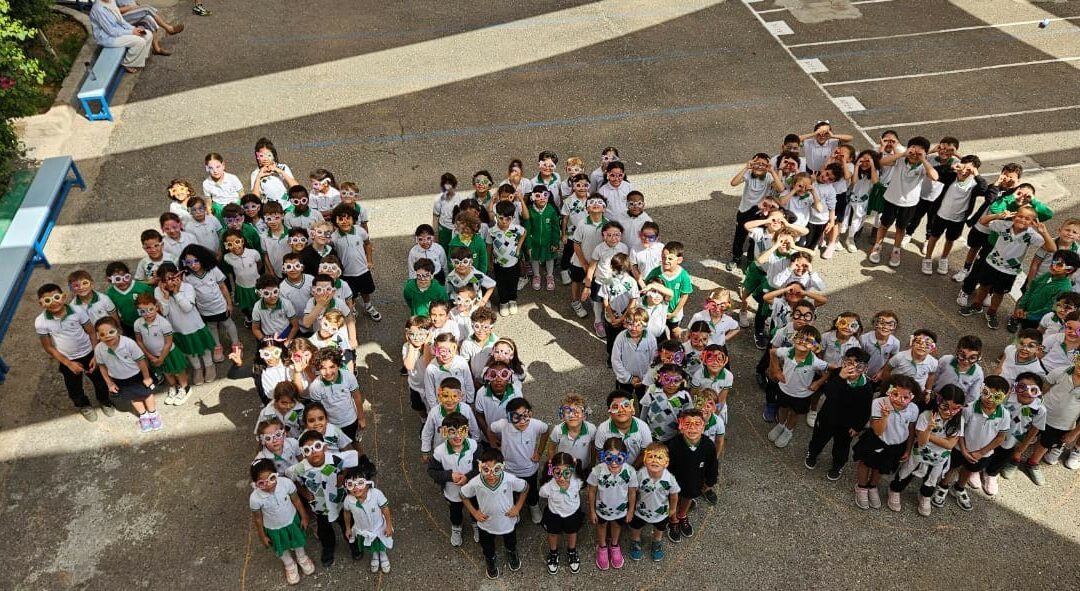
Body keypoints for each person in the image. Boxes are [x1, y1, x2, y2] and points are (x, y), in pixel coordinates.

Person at [959, 205, 1055, 329]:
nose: (1022, 220)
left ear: (1032, 222)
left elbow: (1052, 248)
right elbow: (982, 221)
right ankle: (977, 306)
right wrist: (998, 215)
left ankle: (991, 312)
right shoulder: (1003, 225)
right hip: (991, 264)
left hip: (1009, 271)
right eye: (1020, 216)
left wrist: (1044, 232)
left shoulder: (1031, 235)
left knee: (999, 293)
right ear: (1015, 216)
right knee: (983, 287)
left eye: (1027, 219)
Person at [888, 385, 965, 516]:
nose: (949, 412)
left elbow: (950, 445)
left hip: (940, 458)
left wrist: (929, 436)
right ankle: (895, 490)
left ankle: (924, 496)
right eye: (945, 407)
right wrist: (928, 429)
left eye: (955, 408)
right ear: (939, 401)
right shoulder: (926, 416)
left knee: (932, 479)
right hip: (919, 453)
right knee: (907, 472)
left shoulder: (959, 420)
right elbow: (922, 441)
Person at [938, 377, 1010, 511]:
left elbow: (1000, 437)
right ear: (981, 390)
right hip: (960, 449)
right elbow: (960, 430)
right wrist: (964, 450)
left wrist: (981, 453)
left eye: (997, 396)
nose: (989, 399)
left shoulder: (1005, 415)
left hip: (982, 454)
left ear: (1005, 397)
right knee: (952, 467)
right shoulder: (969, 409)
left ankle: (959, 488)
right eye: (986, 393)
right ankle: (943, 486)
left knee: (969, 470)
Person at [288, 431, 359, 567]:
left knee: (347, 524)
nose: (314, 452)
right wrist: (303, 492)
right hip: (320, 506)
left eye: (317, 446)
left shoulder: (335, 459)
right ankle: (328, 547)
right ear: (303, 453)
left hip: (339, 503)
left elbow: (351, 461)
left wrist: (343, 476)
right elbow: (292, 479)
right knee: (324, 529)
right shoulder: (299, 468)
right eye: (308, 450)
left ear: (324, 447)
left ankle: (353, 543)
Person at [804, 347, 873, 480]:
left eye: (858, 365)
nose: (852, 368)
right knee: (819, 438)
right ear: (843, 362)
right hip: (827, 417)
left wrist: (857, 426)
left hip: (847, 424)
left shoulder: (866, 387)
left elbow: (865, 410)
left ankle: (838, 465)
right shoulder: (837, 374)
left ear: (865, 369)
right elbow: (828, 392)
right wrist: (840, 378)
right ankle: (812, 454)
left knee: (842, 446)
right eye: (848, 362)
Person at [870, 136, 939, 268]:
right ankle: (877, 247)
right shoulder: (900, 160)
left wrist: (923, 159)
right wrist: (902, 154)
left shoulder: (924, 166)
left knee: (901, 228)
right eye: (912, 151)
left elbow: (934, 176)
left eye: (919, 152)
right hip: (891, 199)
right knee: (884, 225)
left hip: (909, 203)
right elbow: (882, 162)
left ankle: (896, 251)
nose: (914, 155)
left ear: (925, 152)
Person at [853, 376, 921, 510]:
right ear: (889, 390)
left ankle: (872, 486)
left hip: (896, 445)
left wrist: (907, 449)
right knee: (866, 463)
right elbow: (878, 430)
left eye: (905, 397)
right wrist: (885, 415)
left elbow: (911, 429)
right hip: (877, 440)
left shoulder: (913, 409)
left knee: (881, 467)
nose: (899, 400)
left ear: (912, 397)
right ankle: (861, 487)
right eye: (895, 394)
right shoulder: (879, 403)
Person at [461, 448, 528, 580]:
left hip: (507, 522)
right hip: (486, 523)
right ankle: (490, 560)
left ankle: (511, 553)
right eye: (486, 470)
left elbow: (525, 488)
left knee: (511, 541)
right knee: (487, 546)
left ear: (502, 467)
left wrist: (518, 507)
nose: (491, 475)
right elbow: (463, 494)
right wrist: (474, 513)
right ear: (480, 467)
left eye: (496, 469)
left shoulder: (509, 479)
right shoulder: (476, 482)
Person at [248, 459, 314, 585]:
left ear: (276, 474)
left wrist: (304, 516)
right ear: (255, 484)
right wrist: (262, 535)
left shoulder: (286, 483)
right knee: (281, 547)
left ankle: (302, 557)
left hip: (291, 520)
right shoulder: (255, 498)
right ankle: (289, 564)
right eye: (262, 483)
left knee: (297, 541)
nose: (268, 485)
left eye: (272, 478)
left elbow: (297, 501)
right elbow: (258, 518)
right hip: (273, 528)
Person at [93, 317, 159, 432]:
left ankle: (153, 414)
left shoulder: (129, 343)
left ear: (118, 330)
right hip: (119, 379)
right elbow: (102, 367)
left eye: (111, 332)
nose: (107, 336)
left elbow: (141, 361)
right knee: (133, 397)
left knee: (147, 394)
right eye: (102, 334)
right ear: (98, 336)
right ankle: (143, 415)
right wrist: (109, 383)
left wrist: (147, 377)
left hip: (137, 376)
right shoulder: (99, 349)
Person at [155, 263, 216, 385]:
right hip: (178, 328)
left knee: (204, 348)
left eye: (171, 278)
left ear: (178, 275)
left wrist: (177, 293)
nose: (169, 283)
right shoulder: (158, 291)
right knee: (189, 350)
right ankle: (197, 368)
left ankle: (209, 365)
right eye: (164, 280)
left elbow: (187, 308)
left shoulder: (187, 287)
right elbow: (164, 312)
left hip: (195, 325)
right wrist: (166, 297)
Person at [767, 326, 829, 448]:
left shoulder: (815, 361)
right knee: (782, 408)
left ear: (815, 347)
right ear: (794, 338)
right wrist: (776, 370)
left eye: (809, 341)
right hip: (784, 389)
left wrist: (818, 382)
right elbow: (772, 352)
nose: (803, 341)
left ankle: (789, 430)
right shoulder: (787, 351)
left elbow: (828, 371)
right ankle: (780, 425)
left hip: (802, 395)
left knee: (795, 413)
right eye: (800, 337)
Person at [427, 412, 481, 547]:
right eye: (452, 432)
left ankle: (476, 524)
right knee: (455, 512)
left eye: (462, 431)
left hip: (473, 490)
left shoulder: (473, 446)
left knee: (475, 507)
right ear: (444, 432)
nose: (458, 436)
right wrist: (448, 476)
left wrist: (468, 477)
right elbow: (432, 471)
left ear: (467, 430)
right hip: (453, 493)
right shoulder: (439, 452)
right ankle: (456, 528)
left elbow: (481, 467)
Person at [587, 437, 638, 571]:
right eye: (609, 459)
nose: (614, 464)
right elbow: (592, 491)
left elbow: (632, 492)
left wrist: (631, 510)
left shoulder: (630, 471)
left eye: (619, 459)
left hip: (620, 510)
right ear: (603, 457)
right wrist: (592, 511)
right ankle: (602, 546)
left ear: (625, 457)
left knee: (616, 526)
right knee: (602, 526)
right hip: (601, 509)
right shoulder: (597, 470)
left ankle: (614, 545)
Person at [666, 409, 717, 541]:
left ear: (703, 427)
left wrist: (710, 481)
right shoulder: (673, 445)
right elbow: (667, 467)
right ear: (681, 427)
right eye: (687, 424)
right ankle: (673, 519)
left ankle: (682, 515)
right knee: (673, 499)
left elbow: (712, 465)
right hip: (675, 482)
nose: (692, 428)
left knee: (688, 497)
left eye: (697, 424)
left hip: (695, 480)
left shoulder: (708, 445)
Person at [132, 292, 190, 405]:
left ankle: (185, 388)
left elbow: (168, 343)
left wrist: (161, 358)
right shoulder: (137, 323)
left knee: (178, 372)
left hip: (168, 354)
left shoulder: (164, 323)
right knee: (166, 372)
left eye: (150, 309)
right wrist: (150, 356)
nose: (147, 314)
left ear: (156, 307)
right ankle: (174, 386)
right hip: (153, 355)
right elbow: (139, 341)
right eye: (142, 311)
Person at [628, 443, 679, 562]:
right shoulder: (640, 474)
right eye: (650, 457)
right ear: (645, 461)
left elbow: (674, 494)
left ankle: (657, 543)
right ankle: (635, 541)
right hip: (640, 510)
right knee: (636, 526)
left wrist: (672, 509)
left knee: (659, 528)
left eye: (659, 457)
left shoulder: (670, 478)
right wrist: (631, 508)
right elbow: (633, 491)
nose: (654, 460)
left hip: (661, 512)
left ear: (666, 462)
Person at [341, 465, 394, 574]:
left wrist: (388, 526)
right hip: (363, 529)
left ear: (368, 483)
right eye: (351, 484)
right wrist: (347, 528)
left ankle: (383, 555)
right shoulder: (348, 500)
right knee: (371, 545)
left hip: (378, 527)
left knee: (381, 543)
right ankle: (375, 555)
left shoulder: (376, 494)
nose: (355, 488)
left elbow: (385, 508)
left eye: (359, 483)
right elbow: (346, 513)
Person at [539, 453, 585, 574]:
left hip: (573, 513)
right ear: (551, 470)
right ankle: (553, 552)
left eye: (567, 473)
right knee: (553, 534)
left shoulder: (577, 482)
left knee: (572, 532)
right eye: (557, 472)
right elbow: (542, 494)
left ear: (572, 471)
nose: (562, 478)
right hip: (554, 514)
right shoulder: (547, 487)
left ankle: (572, 551)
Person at [307, 348, 366, 442]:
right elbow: (317, 410)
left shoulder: (348, 377)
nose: (328, 372)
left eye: (332, 367)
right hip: (331, 426)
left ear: (338, 366)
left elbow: (357, 396)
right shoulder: (315, 387)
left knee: (353, 444)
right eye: (323, 368)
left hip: (351, 421)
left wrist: (361, 418)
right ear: (318, 368)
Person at [88, 0, 152, 72]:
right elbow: (111, 31)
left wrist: (134, 29)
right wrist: (131, 32)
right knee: (140, 41)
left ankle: (141, 58)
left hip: (120, 31)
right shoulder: (98, 9)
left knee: (147, 34)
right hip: (108, 38)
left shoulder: (111, 1)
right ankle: (128, 63)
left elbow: (121, 21)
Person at [487, 201, 527, 315]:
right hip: (498, 263)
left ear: (513, 218)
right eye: (501, 218)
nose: (504, 222)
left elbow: (524, 232)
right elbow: (489, 246)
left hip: (514, 263)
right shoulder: (492, 231)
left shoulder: (516, 228)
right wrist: (489, 261)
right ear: (496, 216)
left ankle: (512, 300)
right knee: (501, 283)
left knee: (513, 282)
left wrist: (518, 247)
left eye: (508, 219)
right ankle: (503, 302)